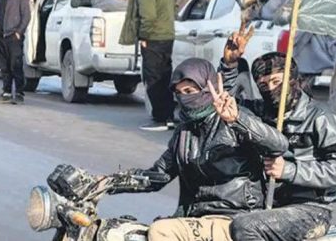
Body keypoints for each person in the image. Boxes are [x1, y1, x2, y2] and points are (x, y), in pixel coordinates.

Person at [108, 37, 288, 241]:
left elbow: (279, 143)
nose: (185, 98)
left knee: (161, 231)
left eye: (190, 91)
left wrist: (238, 120)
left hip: (235, 217)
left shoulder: (233, 119)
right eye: (179, 93)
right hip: (197, 216)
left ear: (207, 88)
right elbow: (158, 176)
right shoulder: (184, 132)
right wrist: (106, 183)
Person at [227, 52, 336, 241]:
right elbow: (222, 104)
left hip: (309, 209)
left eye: (277, 82)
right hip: (262, 203)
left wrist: (289, 170)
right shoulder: (258, 112)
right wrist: (229, 65)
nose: (271, 89)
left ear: (294, 79)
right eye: (263, 85)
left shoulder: (319, 117)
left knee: (245, 227)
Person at [120, 0, 176, 131]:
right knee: (164, 77)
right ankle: (168, 116)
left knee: (153, 78)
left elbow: (148, 16)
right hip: (166, 36)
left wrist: (144, 37)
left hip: (154, 38)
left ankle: (161, 118)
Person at [0, 0, 31, 105]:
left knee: (16, 65)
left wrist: (19, 32)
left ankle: (19, 93)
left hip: (13, 36)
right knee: (4, 67)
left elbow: (26, 16)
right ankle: (6, 92)